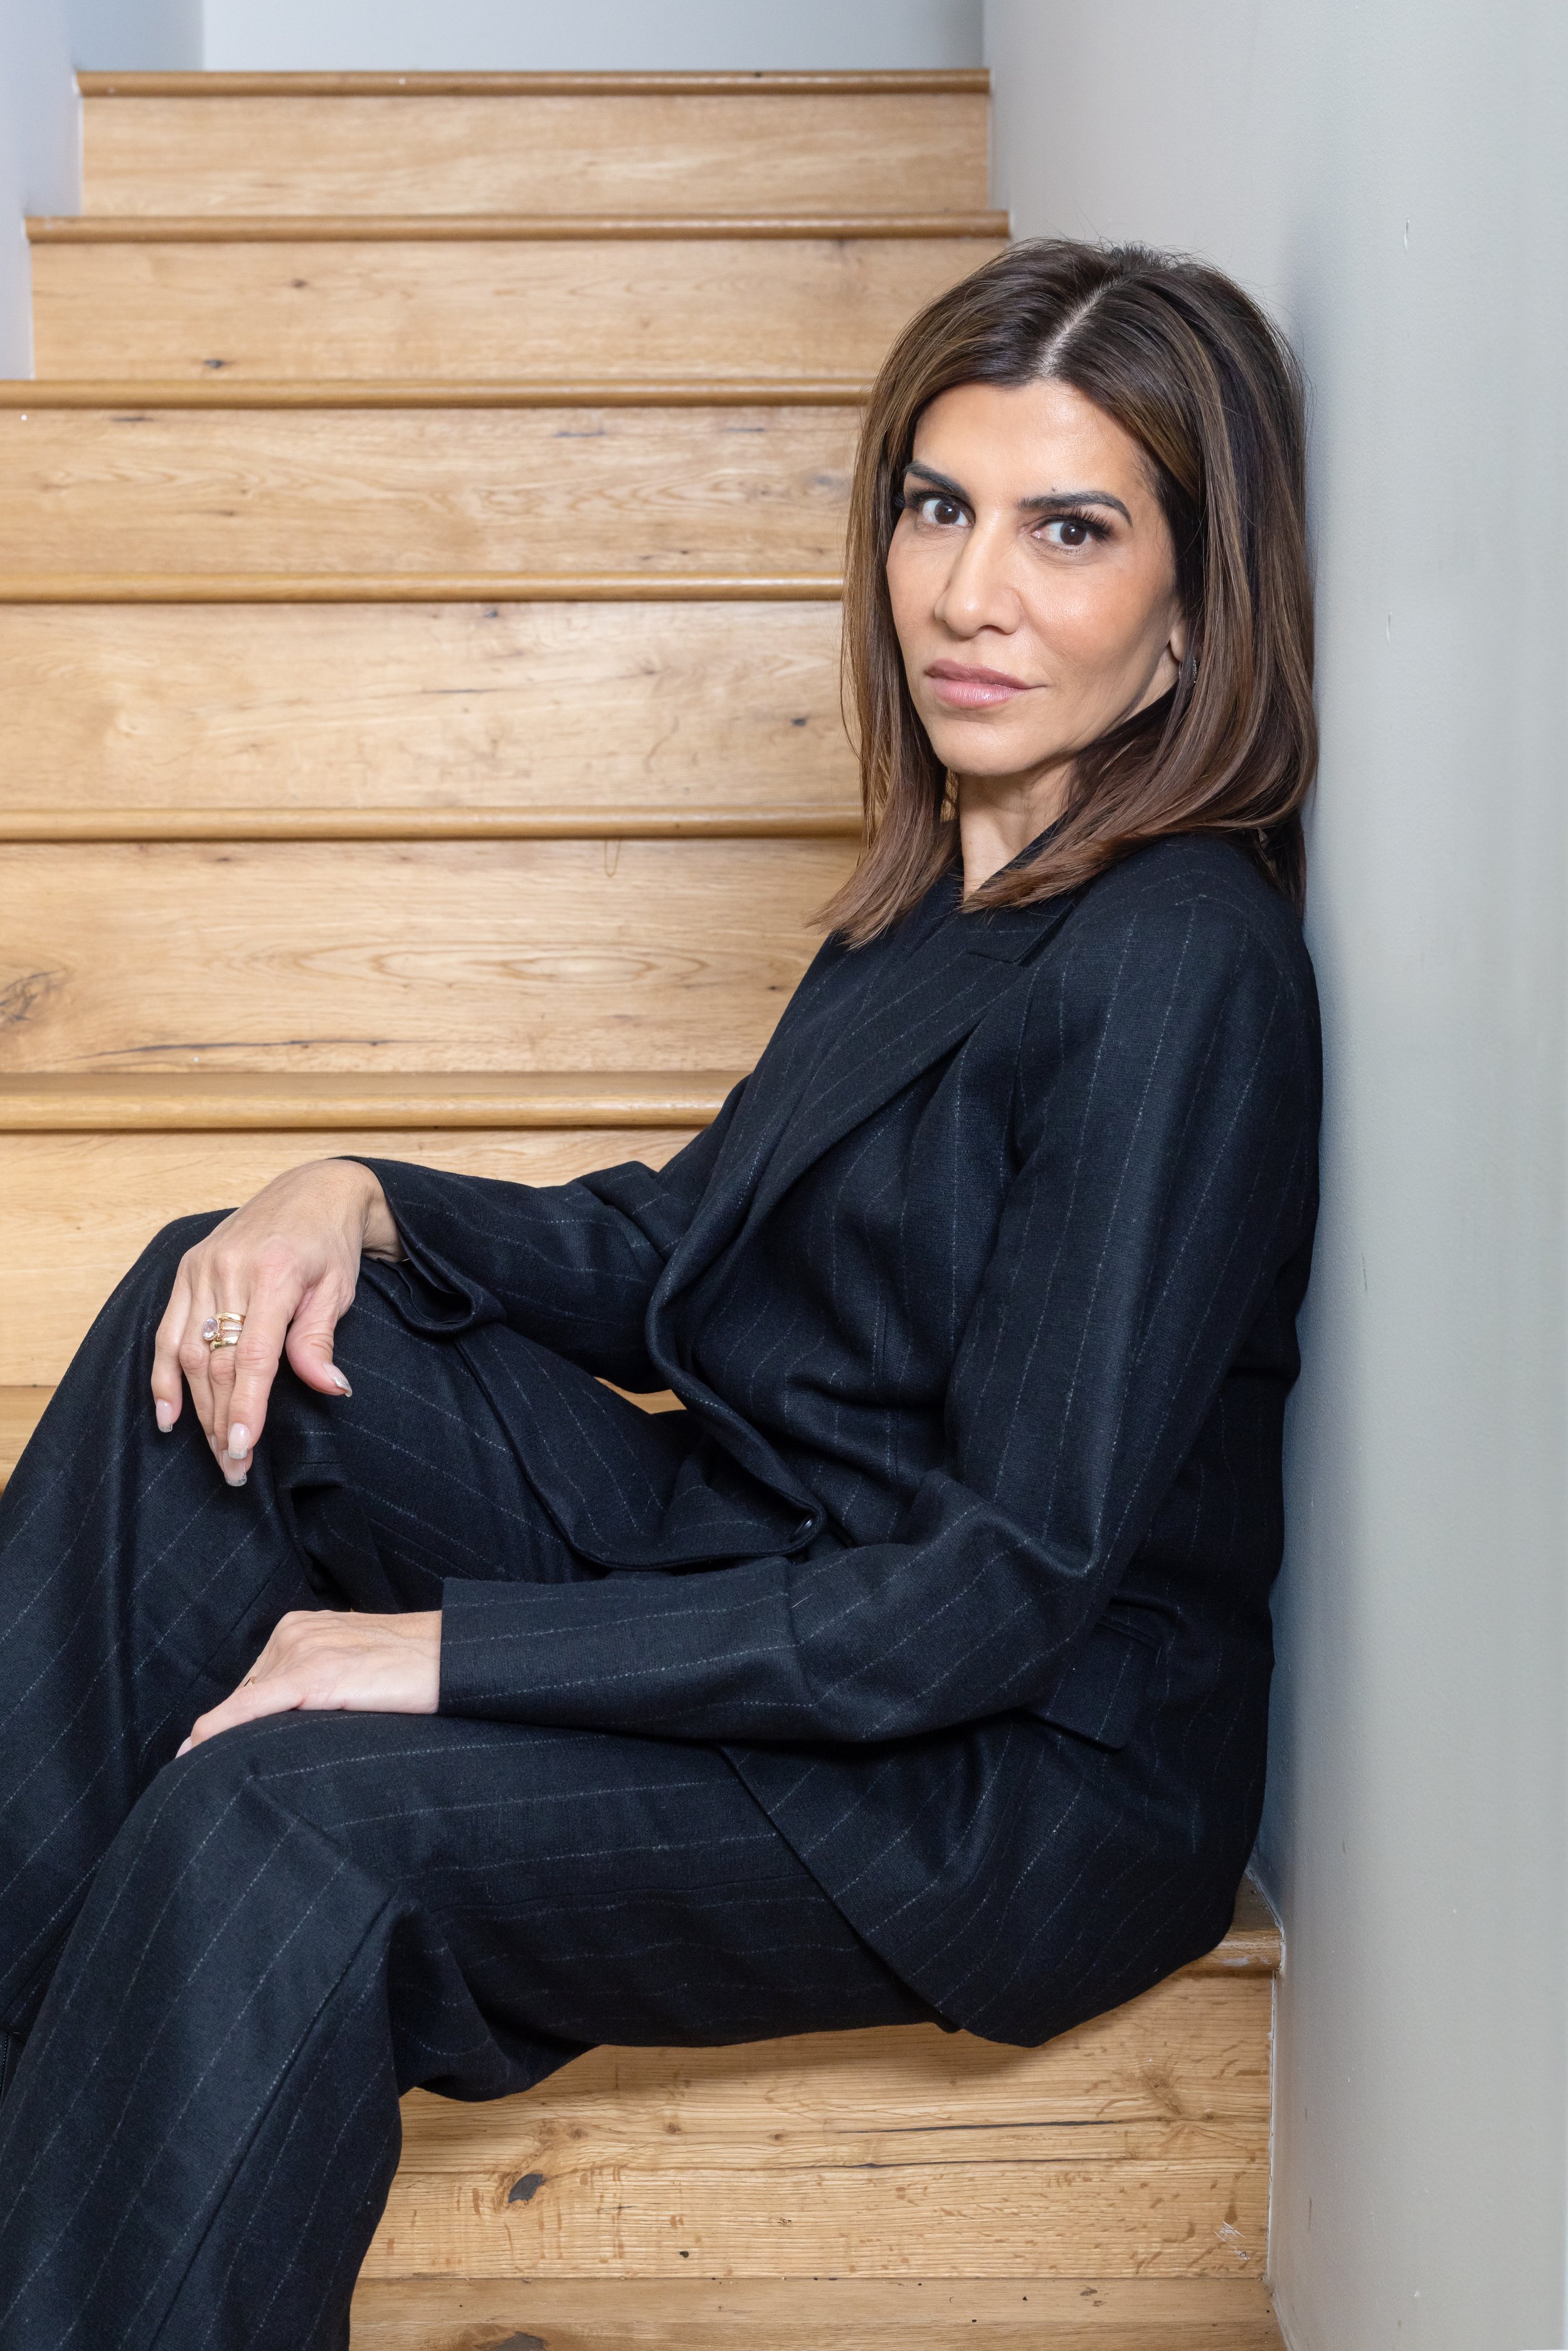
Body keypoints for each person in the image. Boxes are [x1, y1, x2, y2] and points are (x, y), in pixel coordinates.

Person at [0, 238, 1320, 2350]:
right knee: (219, 1305)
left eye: (1069, 530)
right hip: (763, 1550)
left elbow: (993, 1594)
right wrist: (352, 1196)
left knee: (276, 1816)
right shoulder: (947, 886)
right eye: (938, 505)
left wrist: (439, 1654)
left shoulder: (1177, 971)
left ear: (1192, 611)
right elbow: (676, 1254)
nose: (969, 592)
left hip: (998, 1769)